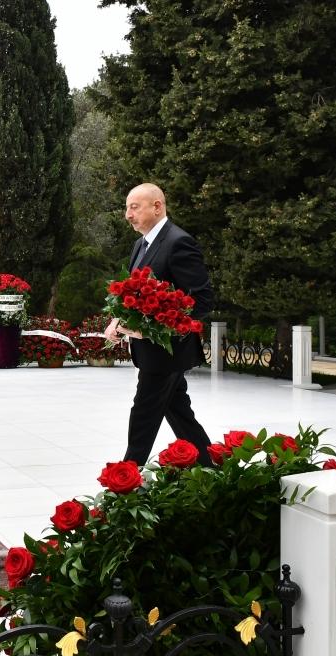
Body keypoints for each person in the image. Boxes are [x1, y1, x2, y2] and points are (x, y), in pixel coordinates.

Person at [104, 183, 215, 466]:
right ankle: (212, 466)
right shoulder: (139, 244)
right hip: (151, 352)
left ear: (157, 206)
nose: (128, 215)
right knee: (180, 414)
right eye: (127, 208)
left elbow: (201, 301)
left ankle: (126, 478)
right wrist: (117, 320)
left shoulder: (179, 242)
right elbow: (133, 294)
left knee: (144, 416)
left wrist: (153, 327)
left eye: (134, 207)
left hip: (168, 352)